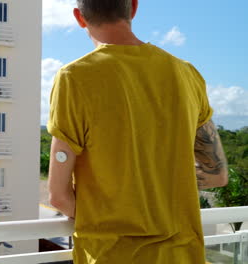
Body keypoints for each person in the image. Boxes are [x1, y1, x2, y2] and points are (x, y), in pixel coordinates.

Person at [46, 0, 229, 263]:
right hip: (182, 254)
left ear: (79, 17)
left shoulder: (73, 78)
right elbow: (217, 174)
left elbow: (58, 195)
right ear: (133, 7)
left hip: (110, 255)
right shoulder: (187, 74)